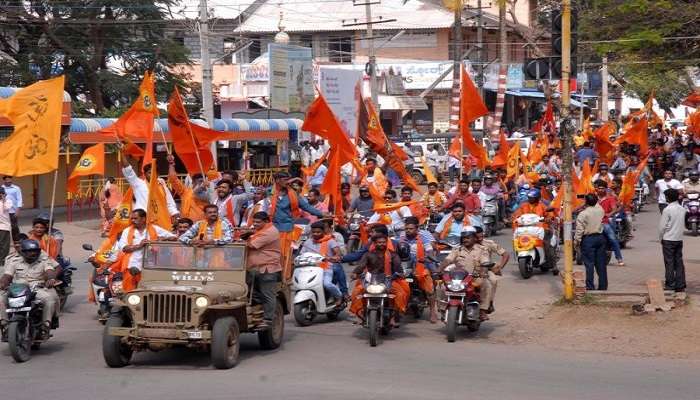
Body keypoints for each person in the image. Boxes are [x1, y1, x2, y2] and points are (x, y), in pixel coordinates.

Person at [270, 172, 327, 279]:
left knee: (286, 255)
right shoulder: (270, 193)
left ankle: (284, 278)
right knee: (272, 255)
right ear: (277, 180)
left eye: (288, 179)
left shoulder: (293, 194)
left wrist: (321, 213)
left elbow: (306, 206)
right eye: (284, 179)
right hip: (271, 229)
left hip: (287, 229)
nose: (287, 181)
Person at [0, 240, 60, 340]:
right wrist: (3, 283)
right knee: (1, 299)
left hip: (37, 287)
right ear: (23, 252)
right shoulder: (14, 261)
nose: (33, 253)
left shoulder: (43, 260)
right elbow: (7, 275)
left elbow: (50, 270)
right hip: (18, 288)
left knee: (49, 299)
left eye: (35, 251)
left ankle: (45, 325)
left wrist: (51, 279)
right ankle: (4, 325)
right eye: (29, 251)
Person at [349, 232, 409, 326]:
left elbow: (398, 267)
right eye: (379, 242)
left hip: (389, 280)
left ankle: (393, 317)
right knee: (357, 292)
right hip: (371, 281)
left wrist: (400, 274)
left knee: (400, 294)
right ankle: (361, 315)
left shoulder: (393, 255)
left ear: (387, 242)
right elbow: (361, 266)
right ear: (374, 243)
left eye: (383, 242)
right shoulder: (368, 254)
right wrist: (355, 273)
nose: (381, 244)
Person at [112, 209, 176, 291]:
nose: (133, 220)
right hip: (132, 266)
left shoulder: (154, 228)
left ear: (143, 219)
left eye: (135, 218)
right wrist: (139, 246)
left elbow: (174, 237)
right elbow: (124, 248)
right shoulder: (127, 231)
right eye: (132, 218)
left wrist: (161, 239)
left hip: (151, 266)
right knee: (129, 292)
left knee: (148, 290)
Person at [438, 228, 491, 320]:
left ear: (474, 238)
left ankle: (483, 310)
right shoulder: (457, 249)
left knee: (487, 284)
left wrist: (483, 272)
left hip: (474, 277)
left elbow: (485, 262)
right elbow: (448, 259)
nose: (465, 240)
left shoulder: (482, 249)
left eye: (468, 237)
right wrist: (439, 269)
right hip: (458, 278)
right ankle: (442, 309)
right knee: (440, 286)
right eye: (463, 238)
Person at [243, 211, 282, 328]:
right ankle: (259, 309)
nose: (254, 224)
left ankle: (268, 320)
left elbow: (251, 245)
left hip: (267, 269)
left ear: (266, 221)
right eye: (253, 222)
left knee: (268, 295)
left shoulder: (270, 232)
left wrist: (243, 239)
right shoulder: (261, 230)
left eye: (258, 222)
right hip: (255, 269)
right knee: (247, 290)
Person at [119, 149, 179, 221]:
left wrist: (175, 214)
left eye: (154, 172)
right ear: (145, 174)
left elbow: (169, 203)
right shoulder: (139, 184)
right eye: (150, 173)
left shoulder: (162, 185)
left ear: (158, 174)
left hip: (161, 221)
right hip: (143, 222)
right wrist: (122, 153)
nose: (152, 175)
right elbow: (128, 170)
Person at [400, 217, 438, 322]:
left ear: (417, 229)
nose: (408, 230)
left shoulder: (423, 237)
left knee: (429, 286)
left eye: (411, 229)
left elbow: (430, 250)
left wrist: (428, 256)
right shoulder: (402, 237)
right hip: (405, 266)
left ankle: (433, 312)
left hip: (421, 265)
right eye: (406, 228)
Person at [299, 221, 343, 306]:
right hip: (309, 269)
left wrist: (332, 258)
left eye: (318, 232)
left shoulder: (330, 241)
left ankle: (339, 296)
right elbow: (302, 254)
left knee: (326, 284)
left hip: (326, 268)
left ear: (324, 232)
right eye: (313, 232)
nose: (315, 234)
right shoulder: (308, 242)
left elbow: (338, 254)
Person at [574, 194, 607, 290]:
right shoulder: (600, 210)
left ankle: (590, 286)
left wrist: (577, 242)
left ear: (586, 202)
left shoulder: (583, 214)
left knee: (589, 264)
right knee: (601, 264)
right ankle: (603, 286)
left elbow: (579, 230)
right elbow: (597, 205)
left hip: (588, 239)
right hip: (600, 238)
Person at [474, 226, 509, 313]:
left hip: (485, 269)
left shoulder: (488, 243)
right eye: (477, 237)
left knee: (493, 281)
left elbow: (505, 254)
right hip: (469, 269)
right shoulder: (466, 244)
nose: (479, 239)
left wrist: (500, 267)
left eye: (481, 236)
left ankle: (489, 303)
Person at [658, 188, 686, 292]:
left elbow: (662, 227)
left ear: (668, 198)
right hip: (679, 239)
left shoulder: (667, 209)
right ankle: (680, 284)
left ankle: (670, 284)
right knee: (679, 262)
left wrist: (660, 238)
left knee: (669, 262)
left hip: (668, 239)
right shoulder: (682, 209)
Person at [594, 180, 624, 266]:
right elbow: (584, 205)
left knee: (613, 239)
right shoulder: (594, 198)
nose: (600, 190)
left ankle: (619, 258)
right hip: (593, 222)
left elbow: (614, 208)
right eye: (599, 188)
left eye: (602, 188)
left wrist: (608, 214)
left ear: (605, 189)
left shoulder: (610, 198)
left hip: (604, 222)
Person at [2, 176, 22, 240]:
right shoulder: (1, 188)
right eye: (7, 181)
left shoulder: (16, 188)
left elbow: (19, 199)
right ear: (4, 181)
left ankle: (17, 241)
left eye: (10, 181)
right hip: (4, 211)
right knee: (4, 227)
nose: (9, 182)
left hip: (13, 211)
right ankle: (5, 240)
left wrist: (18, 210)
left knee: (14, 226)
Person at [0, 188, 11, 264]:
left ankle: (2, 260)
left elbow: (6, 208)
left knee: (4, 244)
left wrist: (4, 199)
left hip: (4, 226)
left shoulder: (8, 201)